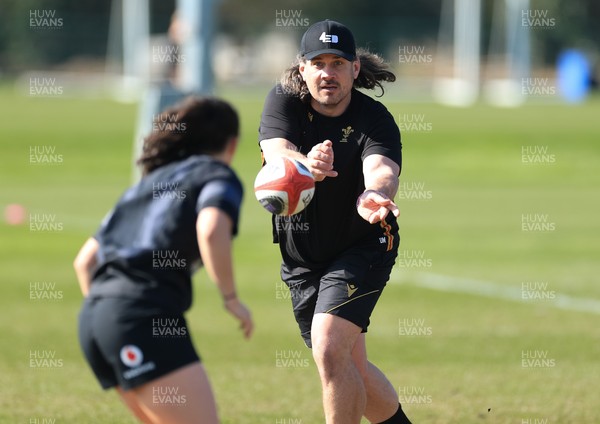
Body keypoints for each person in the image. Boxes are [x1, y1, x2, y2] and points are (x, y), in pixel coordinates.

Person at [258, 20, 412, 423]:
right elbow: (277, 153)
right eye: (319, 63)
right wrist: (306, 165)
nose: (328, 73)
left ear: (355, 69)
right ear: (302, 68)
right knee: (349, 366)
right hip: (303, 258)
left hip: (364, 245)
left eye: (339, 63)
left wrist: (375, 193)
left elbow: (381, 169)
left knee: (328, 348)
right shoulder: (284, 101)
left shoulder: (375, 119)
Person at [74, 96, 253, 424]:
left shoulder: (147, 183)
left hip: (93, 319)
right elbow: (212, 229)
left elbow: (84, 261)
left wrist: (111, 319)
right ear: (233, 144)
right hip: (141, 317)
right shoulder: (217, 175)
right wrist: (231, 298)